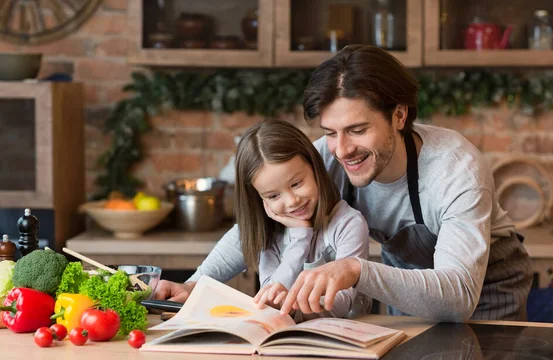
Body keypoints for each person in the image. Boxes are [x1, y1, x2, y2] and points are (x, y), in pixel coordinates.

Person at [155, 44, 533, 322]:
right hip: (403, 279)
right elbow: (255, 225)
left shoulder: (455, 169)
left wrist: (356, 270)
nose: (342, 149)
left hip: (484, 286)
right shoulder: (324, 156)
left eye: (357, 129)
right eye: (331, 132)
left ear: (399, 115)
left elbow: (457, 298)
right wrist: (195, 284)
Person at [154, 119, 371, 318]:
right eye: (274, 196)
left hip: (342, 345)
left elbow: (343, 302)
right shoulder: (263, 226)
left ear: (315, 168)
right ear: (258, 198)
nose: (292, 200)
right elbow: (210, 274)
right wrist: (190, 287)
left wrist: (293, 305)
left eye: (297, 183)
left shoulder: (348, 224)